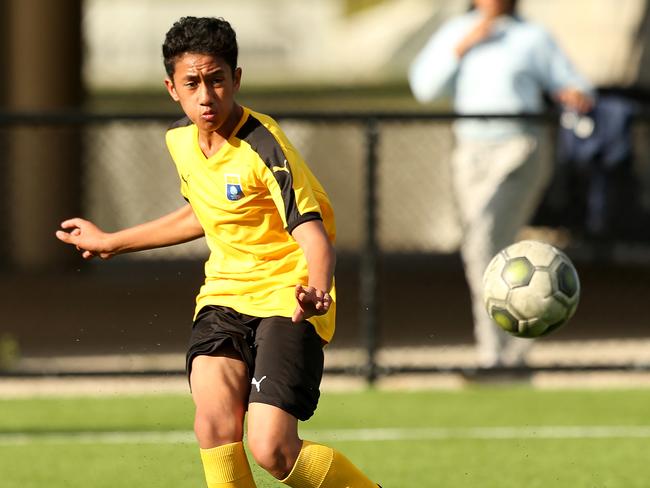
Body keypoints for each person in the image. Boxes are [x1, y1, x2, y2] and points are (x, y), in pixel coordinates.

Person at [56, 16, 379, 488]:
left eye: (216, 80)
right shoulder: (180, 141)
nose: (206, 96)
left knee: (272, 450)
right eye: (193, 84)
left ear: (236, 79)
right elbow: (203, 213)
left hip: (286, 299)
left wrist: (316, 290)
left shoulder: (264, 147)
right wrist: (111, 241)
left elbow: (313, 234)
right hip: (223, 298)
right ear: (172, 88)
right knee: (212, 425)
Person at [408, 0, 594, 368]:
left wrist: (573, 93)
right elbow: (424, 87)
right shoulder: (457, 32)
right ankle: (509, 349)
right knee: (482, 247)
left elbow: (574, 82)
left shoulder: (532, 35)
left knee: (486, 237)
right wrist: (463, 46)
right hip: (472, 150)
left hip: (520, 147)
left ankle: (497, 354)